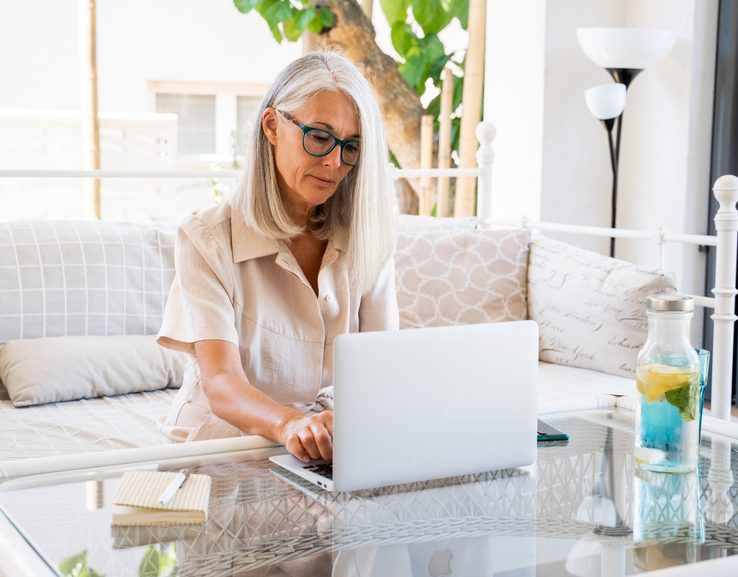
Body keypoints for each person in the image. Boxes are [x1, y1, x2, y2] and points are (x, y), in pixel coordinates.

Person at [157, 51, 398, 464]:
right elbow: (221, 381)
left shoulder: (367, 239)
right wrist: (291, 425)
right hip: (221, 451)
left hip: (322, 453)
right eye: (320, 137)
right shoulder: (207, 240)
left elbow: (381, 370)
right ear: (272, 125)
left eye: (352, 146)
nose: (335, 162)